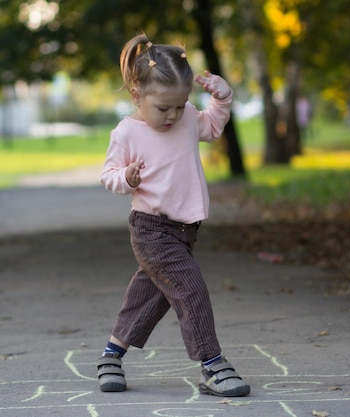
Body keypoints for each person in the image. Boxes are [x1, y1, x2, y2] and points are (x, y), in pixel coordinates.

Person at [96, 33, 250, 398]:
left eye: (180, 106)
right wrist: (126, 177)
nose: (173, 115)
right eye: (163, 108)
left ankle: (110, 356)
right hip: (152, 229)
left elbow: (211, 127)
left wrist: (222, 99)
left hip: (186, 230)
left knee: (150, 295)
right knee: (190, 289)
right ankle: (212, 364)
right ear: (137, 96)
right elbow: (108, 175)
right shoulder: (127, 132)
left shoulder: (186, 119)